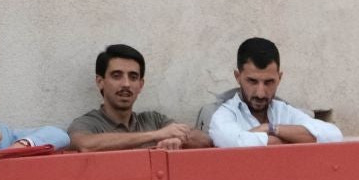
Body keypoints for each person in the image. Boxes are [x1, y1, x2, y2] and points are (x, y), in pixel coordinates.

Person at [69, 44, 211, 152]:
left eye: (133, 77)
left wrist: (179, 140)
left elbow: (204, 141)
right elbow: (84, 144)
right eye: (116, 76)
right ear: (100, 81)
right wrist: (156, 135)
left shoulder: (154, 119)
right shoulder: (87, 123)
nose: (126, 84)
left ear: (141, 85)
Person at [208, 37, 343, 148]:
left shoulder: (283, 111)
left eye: (269, 82)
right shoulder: (225, 115)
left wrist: (271, 128)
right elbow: (235, 143)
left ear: (279, 78)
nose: (260, 93)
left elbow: (333, 135)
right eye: (252, 81)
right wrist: (288, 140)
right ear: (238, 77)